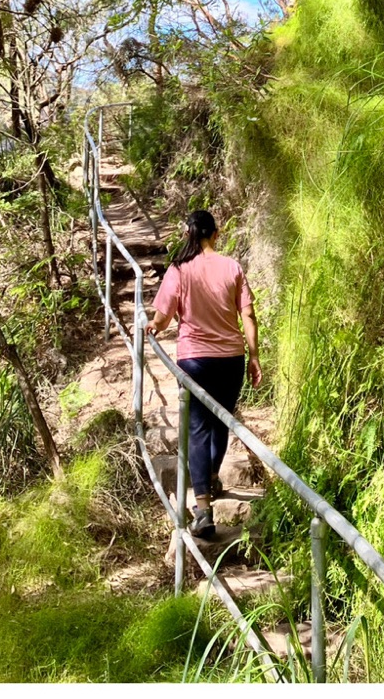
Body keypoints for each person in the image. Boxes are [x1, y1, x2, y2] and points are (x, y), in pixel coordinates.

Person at [148, 208, 260, 539]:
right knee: (221, 420)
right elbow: (249, 315)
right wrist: (254, 357)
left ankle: (203, 509)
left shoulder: (179, 270)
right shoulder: (232, 267)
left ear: (189, 234)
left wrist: (152, 325)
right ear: (216, 233)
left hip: (195, 361)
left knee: (198, 429)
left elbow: (163, 317)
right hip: (230, 359)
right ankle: (210, 476)